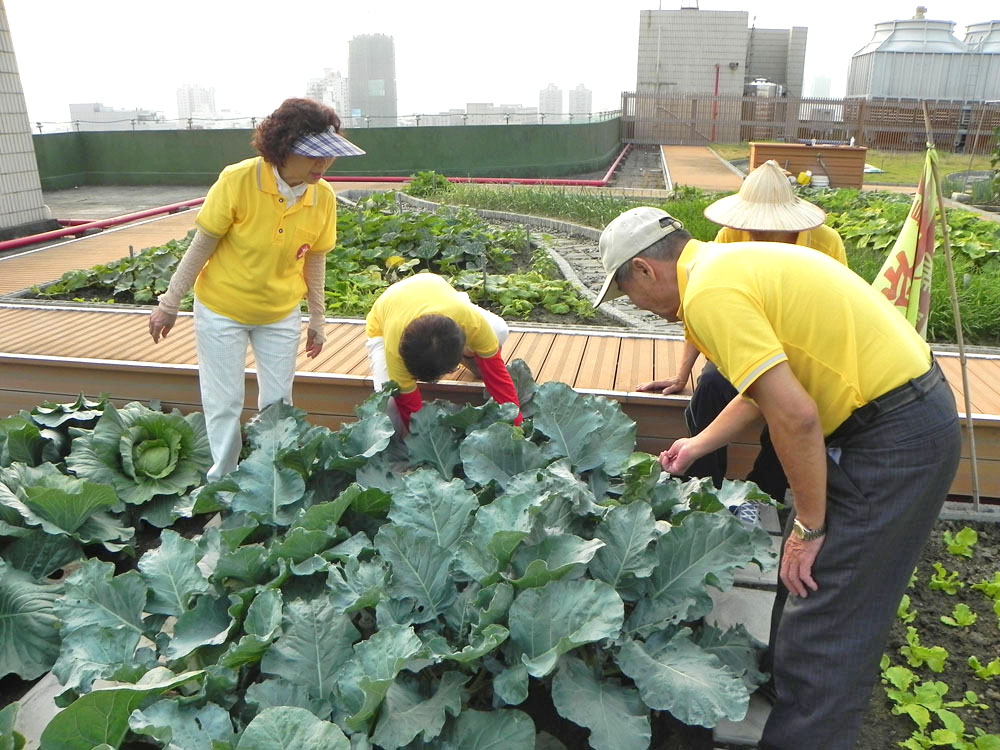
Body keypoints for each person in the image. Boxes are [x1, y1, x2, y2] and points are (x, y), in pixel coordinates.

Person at [594, 206, 960, 750]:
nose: (639, 309)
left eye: (628, 296)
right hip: (890, 416)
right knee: (799, 581)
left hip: (895, 435)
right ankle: (785, 689)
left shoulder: (710, 294)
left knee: (829, 608)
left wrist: (810, 527)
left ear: (645, 270)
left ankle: (806, 729)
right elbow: (762, 390)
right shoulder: (723, 267)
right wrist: (697, 445)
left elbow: (795, 416)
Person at [148, 98, 366, 480]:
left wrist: (317, 319)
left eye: (328, 156)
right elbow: (203, 244)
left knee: (279, 403)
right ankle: (224, 480)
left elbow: (315, 259)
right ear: (282, 147)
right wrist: (169, 303)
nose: (322, 165)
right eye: (312, 155)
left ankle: (272, 477)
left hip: (280, 312)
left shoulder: (323, 197)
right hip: (221, 308)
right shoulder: (238, 179)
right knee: (224, 402)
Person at [637, 160, 848, 502]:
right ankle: (703, 489)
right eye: (752, 226)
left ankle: (763, 495)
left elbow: (835, 313)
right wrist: (681, 376)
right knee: (710, 387)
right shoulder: (730, 236)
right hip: (745, 339)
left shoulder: (825, 244)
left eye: (768, 227)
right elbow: (703, 308)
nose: (756, 234)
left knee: (789, 408)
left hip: (804, 348)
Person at [365, 273, 522, 431]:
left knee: (499, 331)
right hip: (384, 318)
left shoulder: (471, 321)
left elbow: (498, 379)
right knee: (388, 403)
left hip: (439, 294)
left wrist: (517, 426)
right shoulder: (395, 350)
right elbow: (409, 408)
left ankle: (470, 354)